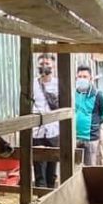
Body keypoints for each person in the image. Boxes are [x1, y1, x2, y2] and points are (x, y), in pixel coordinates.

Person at [32, 54, 60, 188]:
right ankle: (41, 197)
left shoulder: (59, 84)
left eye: (47, 64)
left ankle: (51, 194)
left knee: (52, 171)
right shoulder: (32, 84)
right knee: (39, 170)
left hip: (54, 131)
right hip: (37, 132)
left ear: (53, 66)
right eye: (41, 64)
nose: (44, 66)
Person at [75, 65, 103, 166]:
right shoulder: (72, 94)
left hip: (90, 139)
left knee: (89, 168)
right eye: (79, 76)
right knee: (74, 167)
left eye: (85, 77)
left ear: (91, 78)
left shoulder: (99, 95)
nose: (82, 79)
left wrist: (94, 125)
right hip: (74, 137)